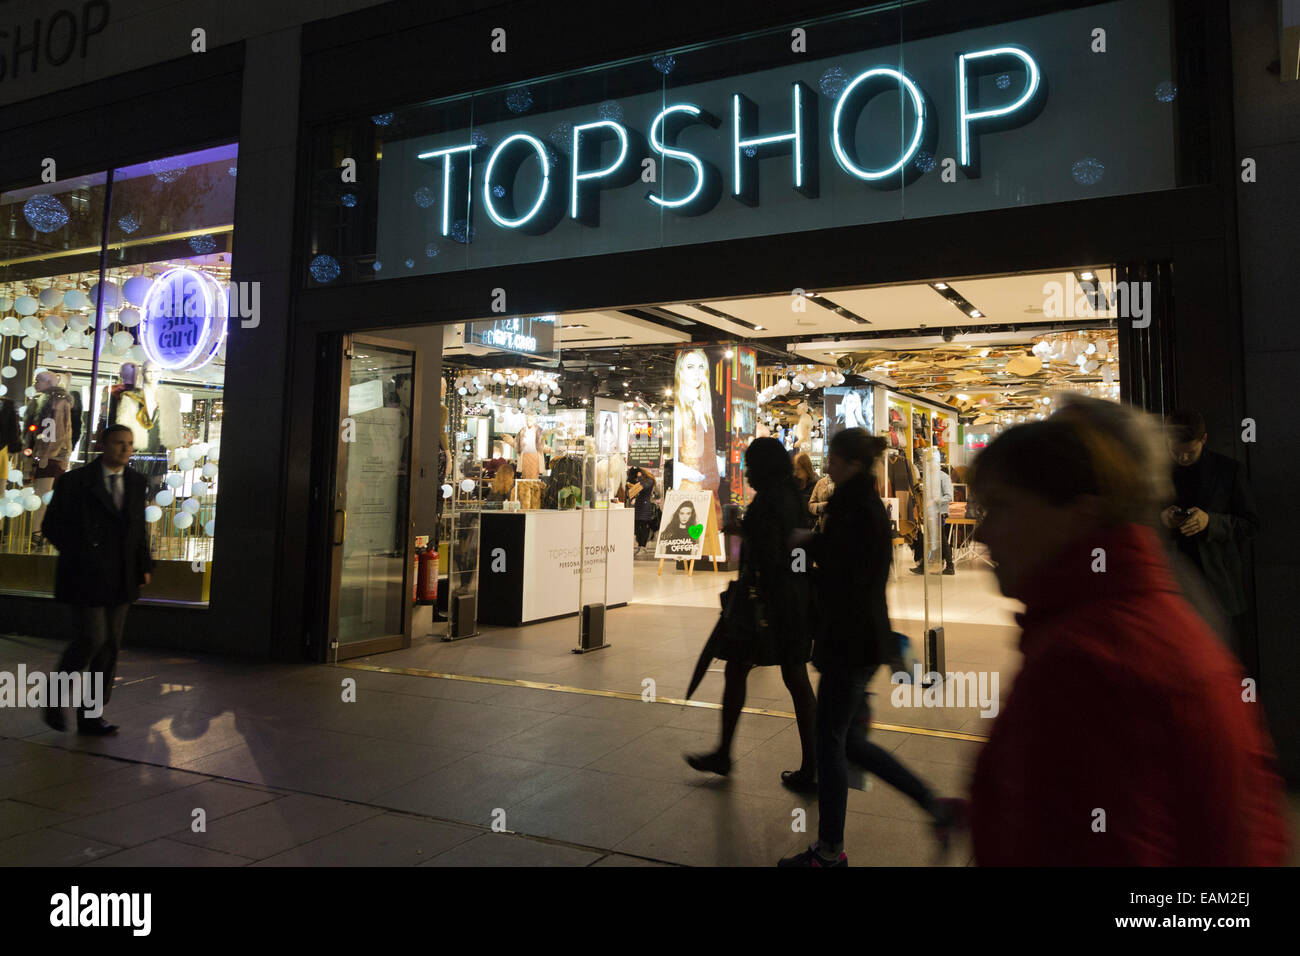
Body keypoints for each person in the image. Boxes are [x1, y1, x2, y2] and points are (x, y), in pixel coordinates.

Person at [966, 410, 1286, 865]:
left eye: (1002, 506)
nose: (984, 533)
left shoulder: (1090, 661)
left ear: (1078, 515)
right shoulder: (1130, 626)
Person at [779, 429, 957, 866]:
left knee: (831, 743)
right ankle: (935, 805)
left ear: (853, 464)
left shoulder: (853, 506)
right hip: (863, 638)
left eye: (835, 461)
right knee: (851, 742)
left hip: (848, 642)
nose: (829, 468)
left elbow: (846, 573)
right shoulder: (863, 502)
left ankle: (828, 851)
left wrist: (806, 548)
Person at [686, 437, 817, 791]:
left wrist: (743, 531)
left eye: (749, 465)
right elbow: (791, 548)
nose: (745, 471)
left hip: (767, 606)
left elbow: (772, 552)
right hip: (791, 603)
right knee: (793, 679)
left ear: (763, 467)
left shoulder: (770, 501)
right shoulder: (790, 495)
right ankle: (811, 764)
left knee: (744, 671)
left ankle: (727, 753)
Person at [40, 424, 155, 736]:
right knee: (92, 639)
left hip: (121, 576)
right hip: (84, 574)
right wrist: (81, 553)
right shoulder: (77, 481)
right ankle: (53, 700)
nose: (125, 449)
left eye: (130, 444)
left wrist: (144, 564)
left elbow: (137, 529)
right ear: (103, 444)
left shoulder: (135, 481)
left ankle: (92, 716)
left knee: (109, 648)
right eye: (119, 443)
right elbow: (52, 525)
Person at [1161, 409, 1260, 663]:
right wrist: (1161, 520)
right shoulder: (1153, 472)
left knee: (1218, 663)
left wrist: (1211, 522)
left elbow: (1251, 526)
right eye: (1176, 451)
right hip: (1167, 585)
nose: (1183, 457)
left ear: (1203, 440)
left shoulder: (1229, 471)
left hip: (1216, 587)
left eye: (1190, 452)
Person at [910, 460, 954, 575]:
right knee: (931, 539)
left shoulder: (943, 477)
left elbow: (949, 496)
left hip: (939, 512)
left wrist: (934, 502)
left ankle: (948, 566)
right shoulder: (928, 478)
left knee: (941, 540)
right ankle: (929, 565)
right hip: (931, 513)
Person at [626, 466, 658, 553]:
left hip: (645, 507)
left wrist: (639, 478)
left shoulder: (649, 480)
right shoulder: (642, 480)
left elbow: (643, 487)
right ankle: (639, 545)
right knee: (637, 527)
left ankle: (643, 546)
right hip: (638, 506)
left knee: (644, 527)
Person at [792, 452, 818, 527]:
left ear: (806, 468)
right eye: (795, 469)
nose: (796, 473)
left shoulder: (815, 486)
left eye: (798, 469)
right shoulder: (794, 486)